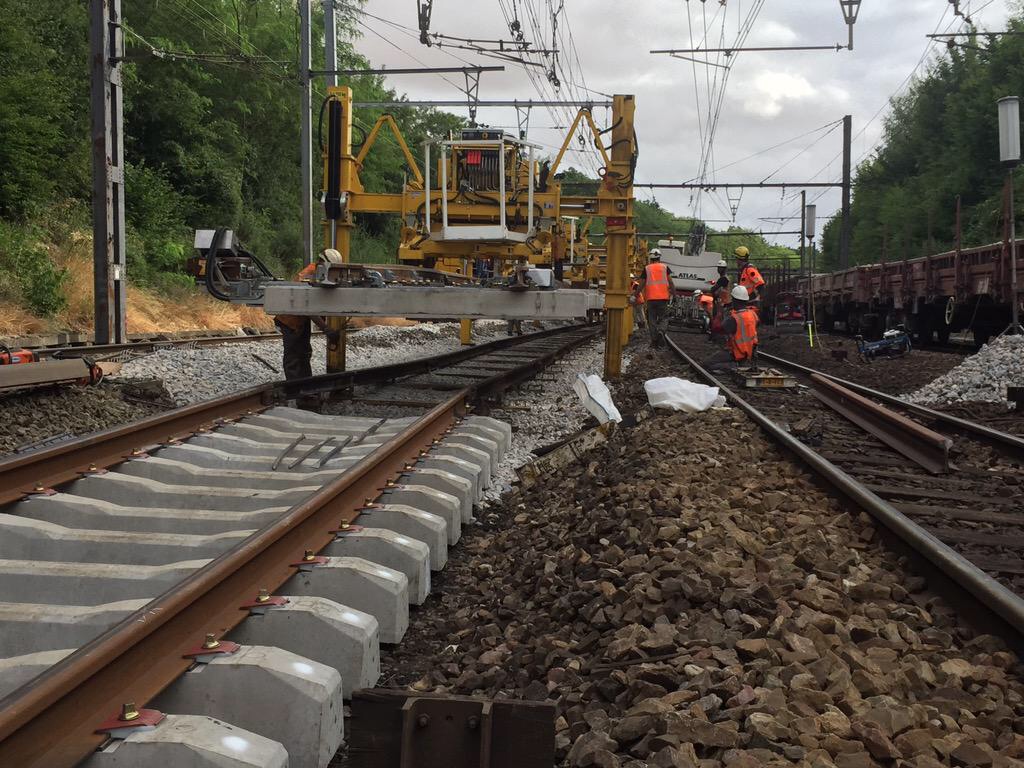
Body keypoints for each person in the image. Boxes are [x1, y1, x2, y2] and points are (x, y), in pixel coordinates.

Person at [274, 258, 340, 381]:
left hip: (301, 320)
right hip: (290, 320)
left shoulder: (320, 274)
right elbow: (307, 307)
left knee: (304, 353)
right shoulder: (308, 274)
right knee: (293, 356)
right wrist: (326, 329)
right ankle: (295, 389)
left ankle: (306, 385)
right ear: (324, 263)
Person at [702, 285, 759, 371]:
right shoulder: (753, 314)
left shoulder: (734, 318)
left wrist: (719, 312)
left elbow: (716, 329)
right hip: (750, 353)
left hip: (736, 353)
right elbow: (756, 325)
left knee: (707, 364)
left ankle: (734, 366)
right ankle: (742, 363)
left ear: (734, 300)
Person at [640, 249, 673, 347]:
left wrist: (634, 294)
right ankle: (661, 331)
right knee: (664, 318)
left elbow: (641, 284)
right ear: (659, 257)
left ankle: (654, 341)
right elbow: (671, 282)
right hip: (663, 298)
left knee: (652, 320)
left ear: (650, 258)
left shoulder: (647, 269)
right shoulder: (665, 268)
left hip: (651, 299)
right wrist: (674, 295)